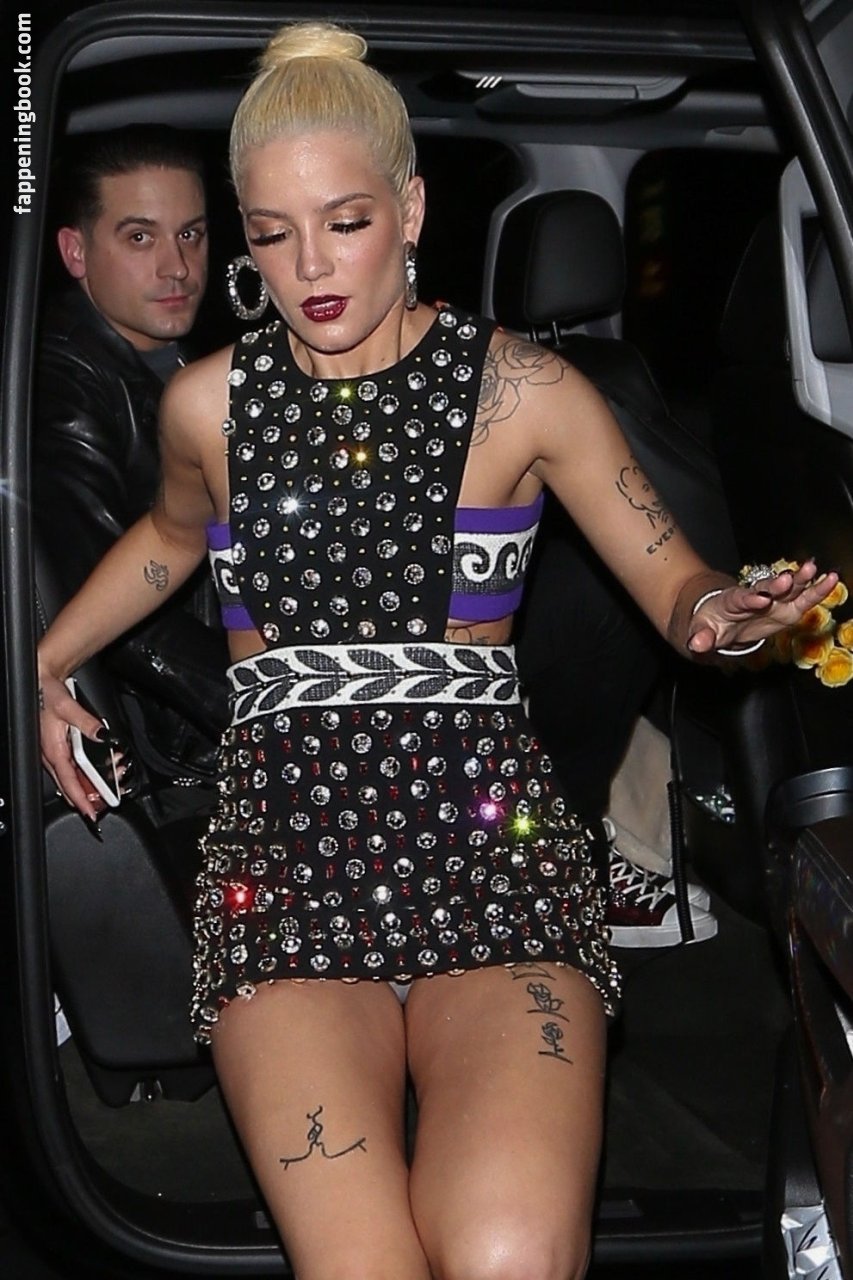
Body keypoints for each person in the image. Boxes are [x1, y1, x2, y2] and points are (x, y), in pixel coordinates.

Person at [36, 22, 837, 1279]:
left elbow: (674, 581)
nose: (310, 266)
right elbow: (167, 541)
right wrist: (44, 660)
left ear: (409, 210)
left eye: (345, 221)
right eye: (271, 233)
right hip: (285, 865)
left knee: (508, 1252)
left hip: (491, 854)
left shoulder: (526, 391)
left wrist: (724, 613)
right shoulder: (207, 403)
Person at [33, 125, 229, 816]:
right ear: (76, 252)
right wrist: (267, 710)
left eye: (192, 234)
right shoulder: (62, 386)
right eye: (140, 237)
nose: (177, 267)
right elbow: (114, 604)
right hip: (185, 754)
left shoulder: (184, 361)